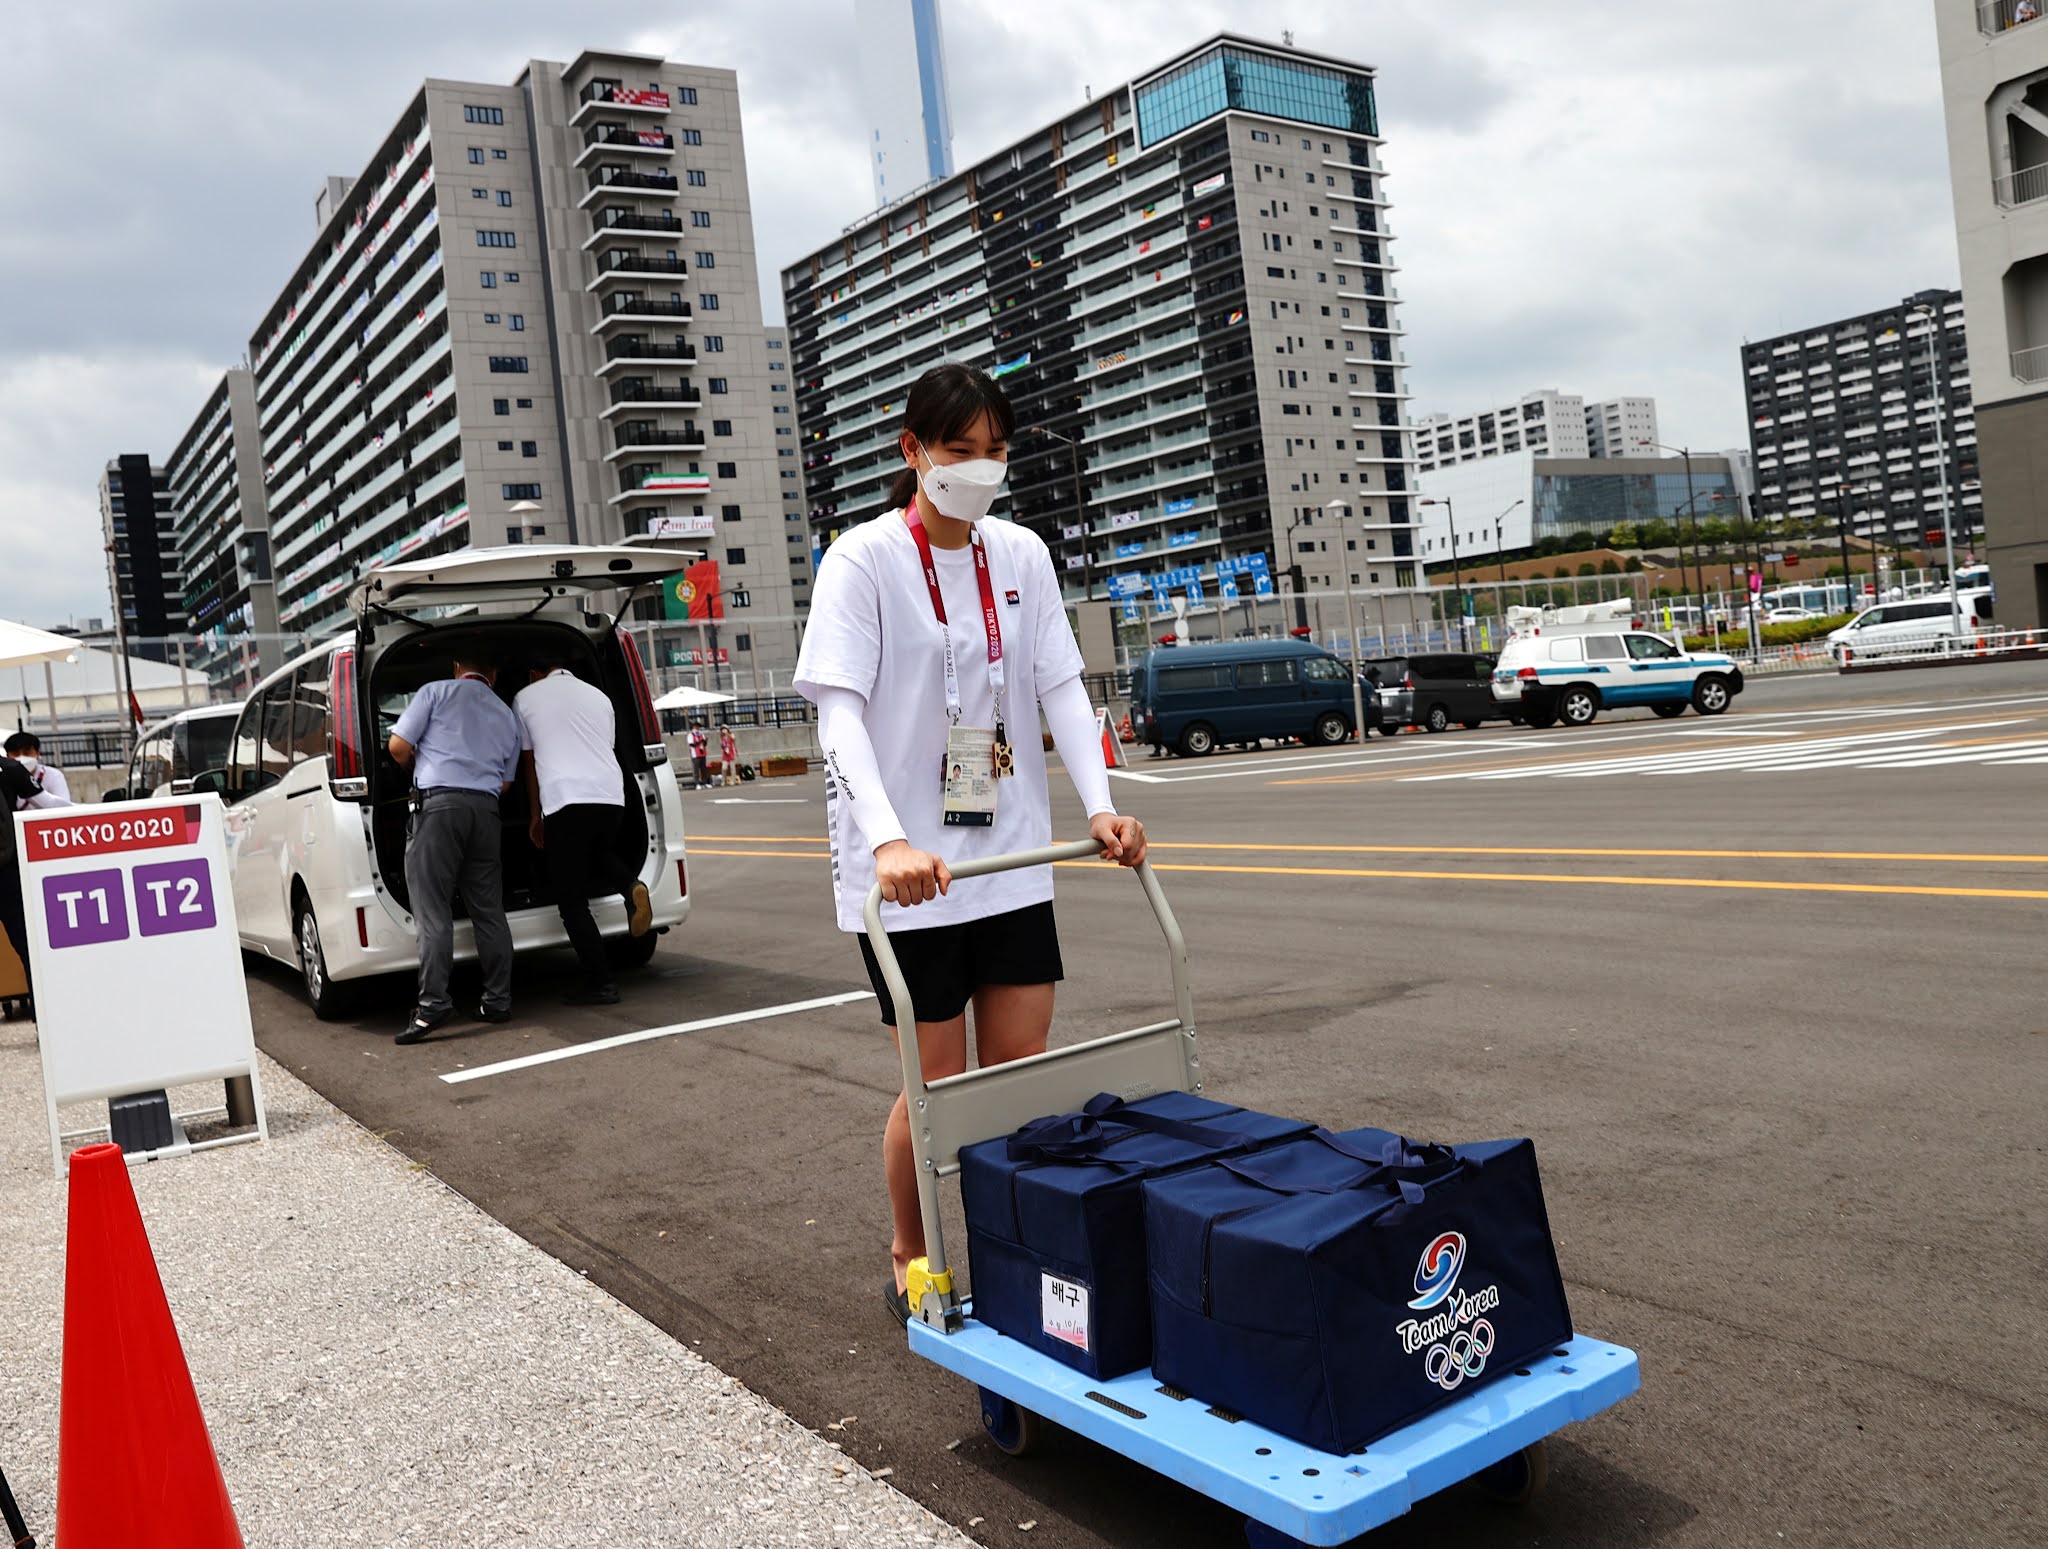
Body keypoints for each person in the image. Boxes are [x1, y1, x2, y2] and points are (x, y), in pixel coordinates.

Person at [793, 361, 1147, 1328]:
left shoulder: (1022, 553)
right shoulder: (862, 561)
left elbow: (1060, 685)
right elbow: (837, 715)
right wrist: (888, 841)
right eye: (961, 451)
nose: (982, 469)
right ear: (914, 451)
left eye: (997, 451)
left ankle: (1008, 1248)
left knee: (1020, 1077)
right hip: (911, 876)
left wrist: (1100, 806)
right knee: (938, 1086)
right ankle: (911, 1251)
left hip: (1009, 858)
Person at [387, 647, 523, 1044]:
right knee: (489, 910)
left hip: (438, 808)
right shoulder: (506, 714)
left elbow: (397, 747)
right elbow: (506, 784)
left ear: (457, 668)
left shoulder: (434, 692)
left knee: (433, 910)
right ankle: (497, 1001)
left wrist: (415, 765)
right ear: (493, 675)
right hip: (486, 811)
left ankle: (433, 1005)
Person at [513, 649, 654, 1007]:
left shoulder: (525, 697)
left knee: (572, 902)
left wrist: (535, 814)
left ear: (534, 673)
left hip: (566, 800)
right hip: (612, 797)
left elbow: (529, 761)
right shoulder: (600, 696)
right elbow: (604, 746)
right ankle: (630, 885)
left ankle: (601, 983)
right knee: (595, 853)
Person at [0, 756, 40, 1006]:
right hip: (7, 873)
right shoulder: (8, 768)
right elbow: (48, 803)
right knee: (28, 947)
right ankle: (42, 1016)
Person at [4, 733, 71, 808]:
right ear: (7, 757)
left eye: (27, 753)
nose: (21, 757)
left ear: (38, 754)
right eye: (15, 754)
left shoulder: (53, 775)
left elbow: (64, 806)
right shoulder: (4, 778)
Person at [687, 721, 710, 787]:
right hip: (695, 754)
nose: (697, 728)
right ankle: (697, 783)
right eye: (696, 727)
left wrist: (705, 741)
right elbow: (691, 744)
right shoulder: (691, 734)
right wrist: (699, 742)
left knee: (703, 768)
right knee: (696, 769)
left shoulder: (701, 734)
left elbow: (704, 744)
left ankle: (704, 782)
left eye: (698, 727)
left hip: (702, 752)